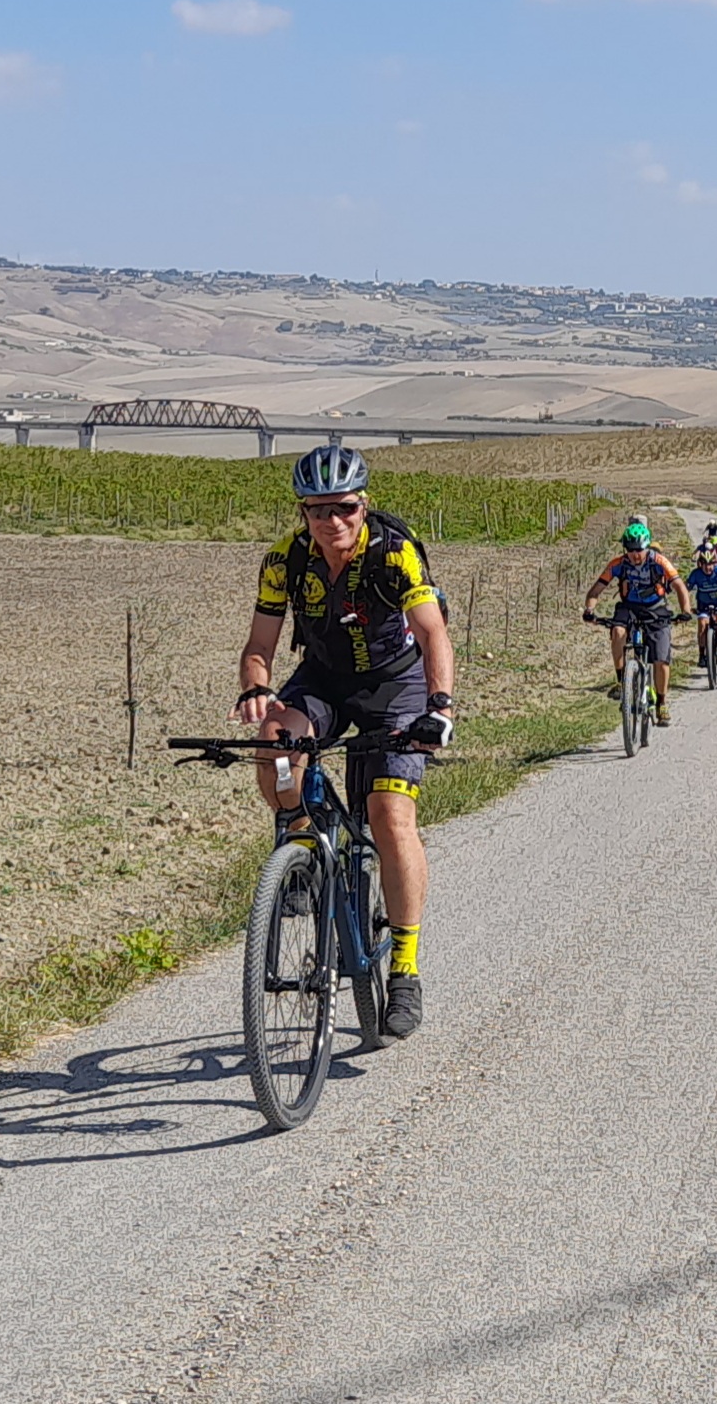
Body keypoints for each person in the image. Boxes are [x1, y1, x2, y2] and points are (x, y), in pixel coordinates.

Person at [233, 444, 454, 1040]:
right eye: (317, 510)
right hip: (325, 678)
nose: (333, 522)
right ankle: (302, 849)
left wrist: (439, 708)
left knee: (389, 814)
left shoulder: (393, 552)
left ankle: (404, 967)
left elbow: (433, 632)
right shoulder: (285, 561)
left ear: (364, 504)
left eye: (346, 509)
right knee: (275, 743)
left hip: (395, 685)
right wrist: (256, 686)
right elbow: (260, 646)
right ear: (302, 513)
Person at [583, 522, 691, 727]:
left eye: (639, 549)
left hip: (656, 608)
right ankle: (621, 680)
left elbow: (679, 586)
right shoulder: (618, 564)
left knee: (661, 659)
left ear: (647, 546)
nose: (635, 554)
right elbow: (596, 589)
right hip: (629, 607)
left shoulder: (658, 561)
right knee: (617, 631)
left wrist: (685, 611)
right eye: (630, 550)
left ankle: (661, 703)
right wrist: (589, 610)